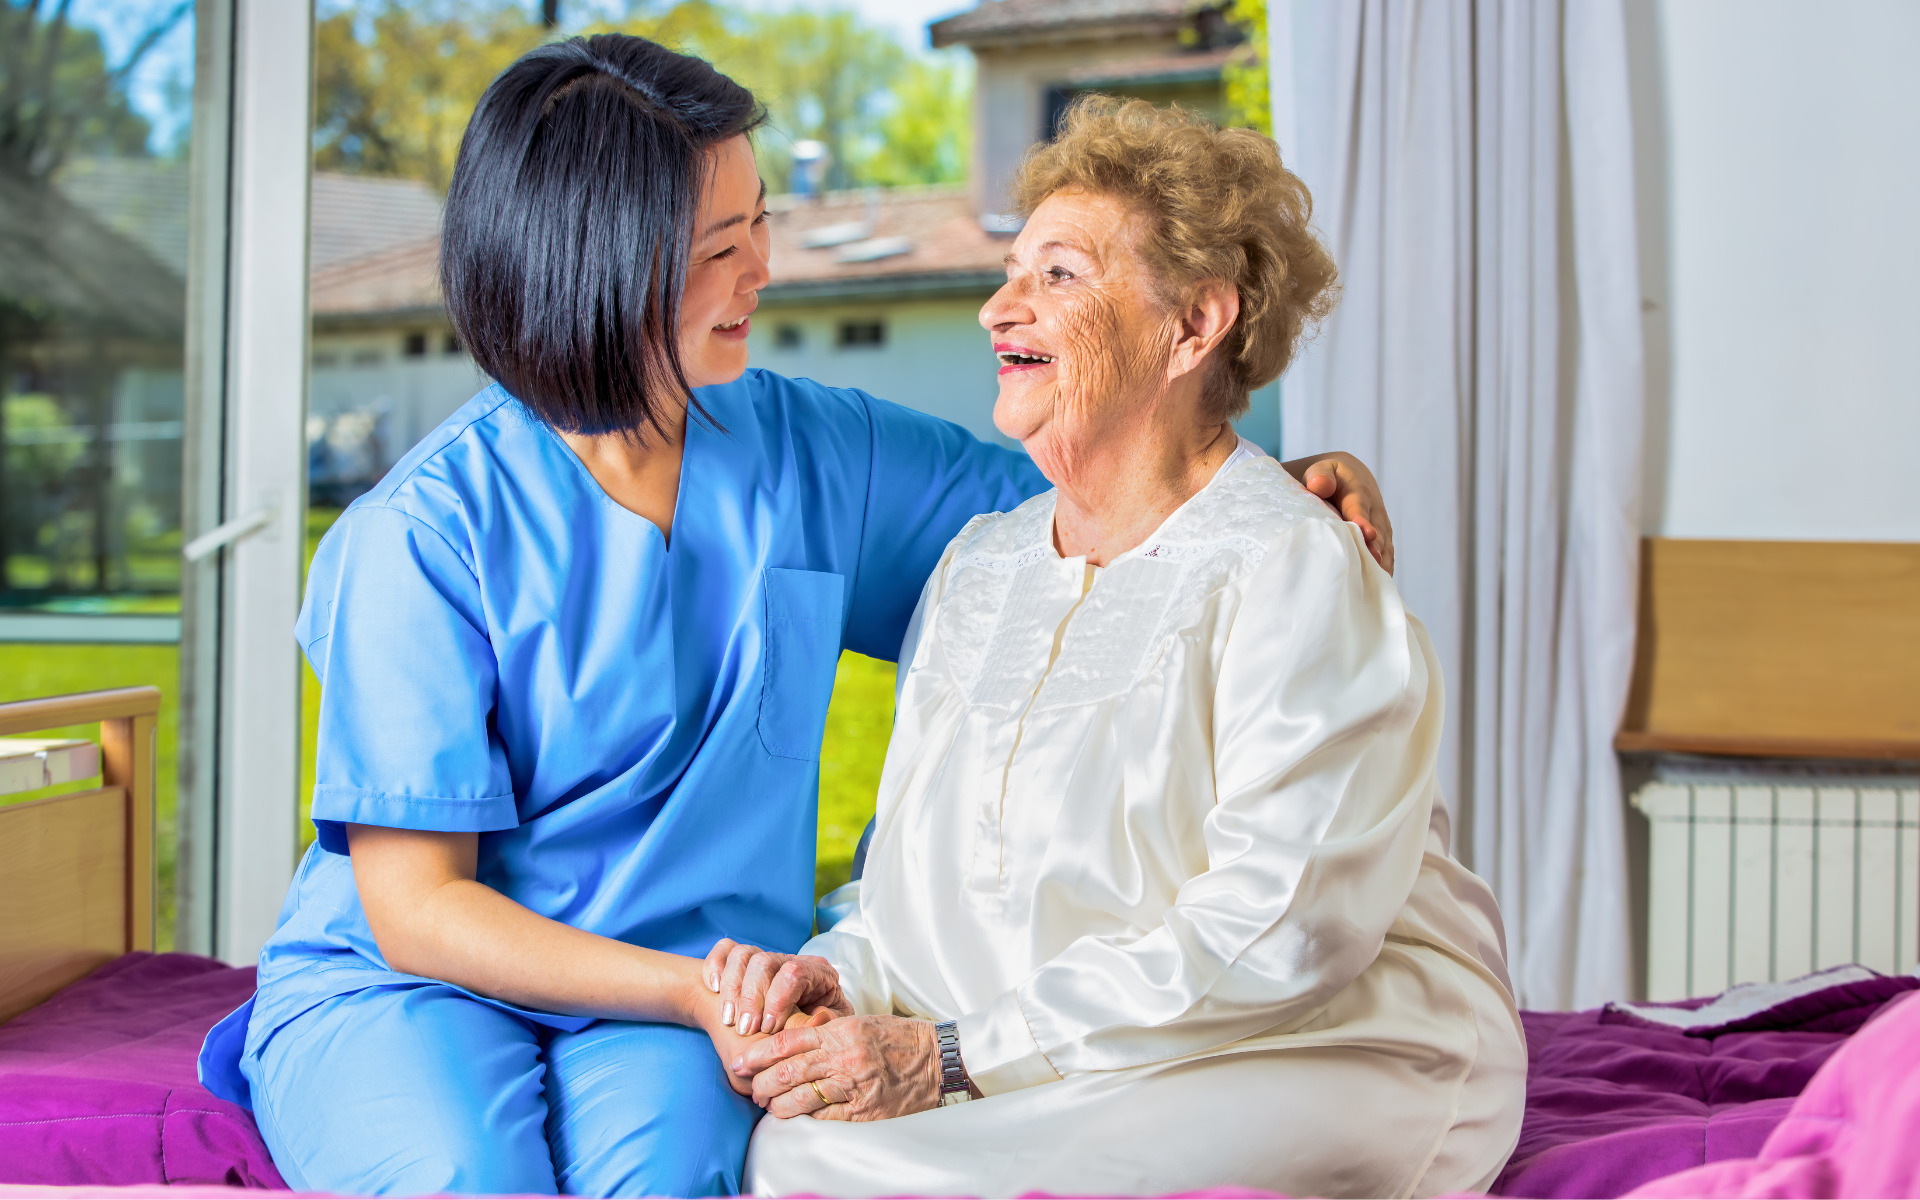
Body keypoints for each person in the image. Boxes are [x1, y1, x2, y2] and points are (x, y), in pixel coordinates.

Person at [193, 37, 1397, 1200]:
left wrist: (1277, 487)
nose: (765, 268)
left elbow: (1112, 490)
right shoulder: (423, 536)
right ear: (605, 266)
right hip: (427, 988)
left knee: (674, 1182)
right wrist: (691, 993)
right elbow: (418, 908)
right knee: (470, 1181)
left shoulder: (819, 452)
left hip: (700, 995)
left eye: (760, 220)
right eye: (724, 246)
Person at [720, 97, 1526, 1199]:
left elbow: (1283, 932)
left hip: (1313, 1038)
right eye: (1011, 271)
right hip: (1038, 1043)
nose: (1002, 305)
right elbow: (911, 876)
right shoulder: (981, 565)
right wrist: (842, 977)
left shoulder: (1295, 565)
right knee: (798, 1145)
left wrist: (952, 1060)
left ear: (1193, 326)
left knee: (849, 1169)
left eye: (1059, 275)